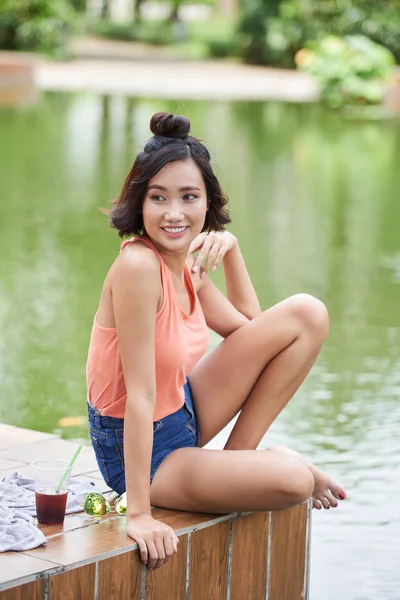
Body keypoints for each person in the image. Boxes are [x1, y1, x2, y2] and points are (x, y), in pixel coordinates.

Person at [86, 111, 346, 572]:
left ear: (208, 203)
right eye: (158, 198)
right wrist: (140, 515)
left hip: (183, 411)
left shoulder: (183, 262)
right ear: (138, 203)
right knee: (292, 482)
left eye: (189, 197)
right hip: (144, 454)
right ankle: (269, 465)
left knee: (307, 313)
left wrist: (232, 251)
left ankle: (239, 462)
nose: (173, 213)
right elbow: (140, 395)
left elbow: (255, 334)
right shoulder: (138, 268)